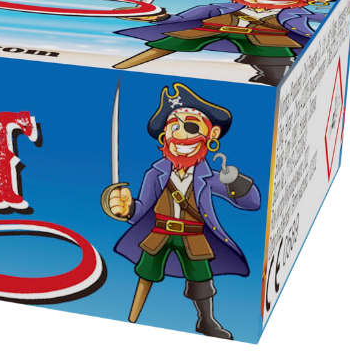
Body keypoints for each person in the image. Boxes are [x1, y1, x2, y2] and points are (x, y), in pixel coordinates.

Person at [101, 83, 260, 339]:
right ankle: (132, 315)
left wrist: (236, 182)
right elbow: (142, 210)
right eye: (173, 127)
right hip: (159, 233)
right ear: (164, 137)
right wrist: (126, 209)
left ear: (212, 134)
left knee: (201, 279)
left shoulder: (210, 177)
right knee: (145, 272)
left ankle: (206, 320)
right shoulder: (155, 173)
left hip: (193, 234)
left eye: (191, 127)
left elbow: (252, 204)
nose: (181, 135)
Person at [113, 0, 338, 85]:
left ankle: (271, 80)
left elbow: (323, 21)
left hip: (268, 37)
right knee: (168, 44)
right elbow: (182, 18)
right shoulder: (218, 8)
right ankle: (121, 68)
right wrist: (156, 17)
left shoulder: (297, 15)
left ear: (311, 0)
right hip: (208, 30)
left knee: (274, 59)